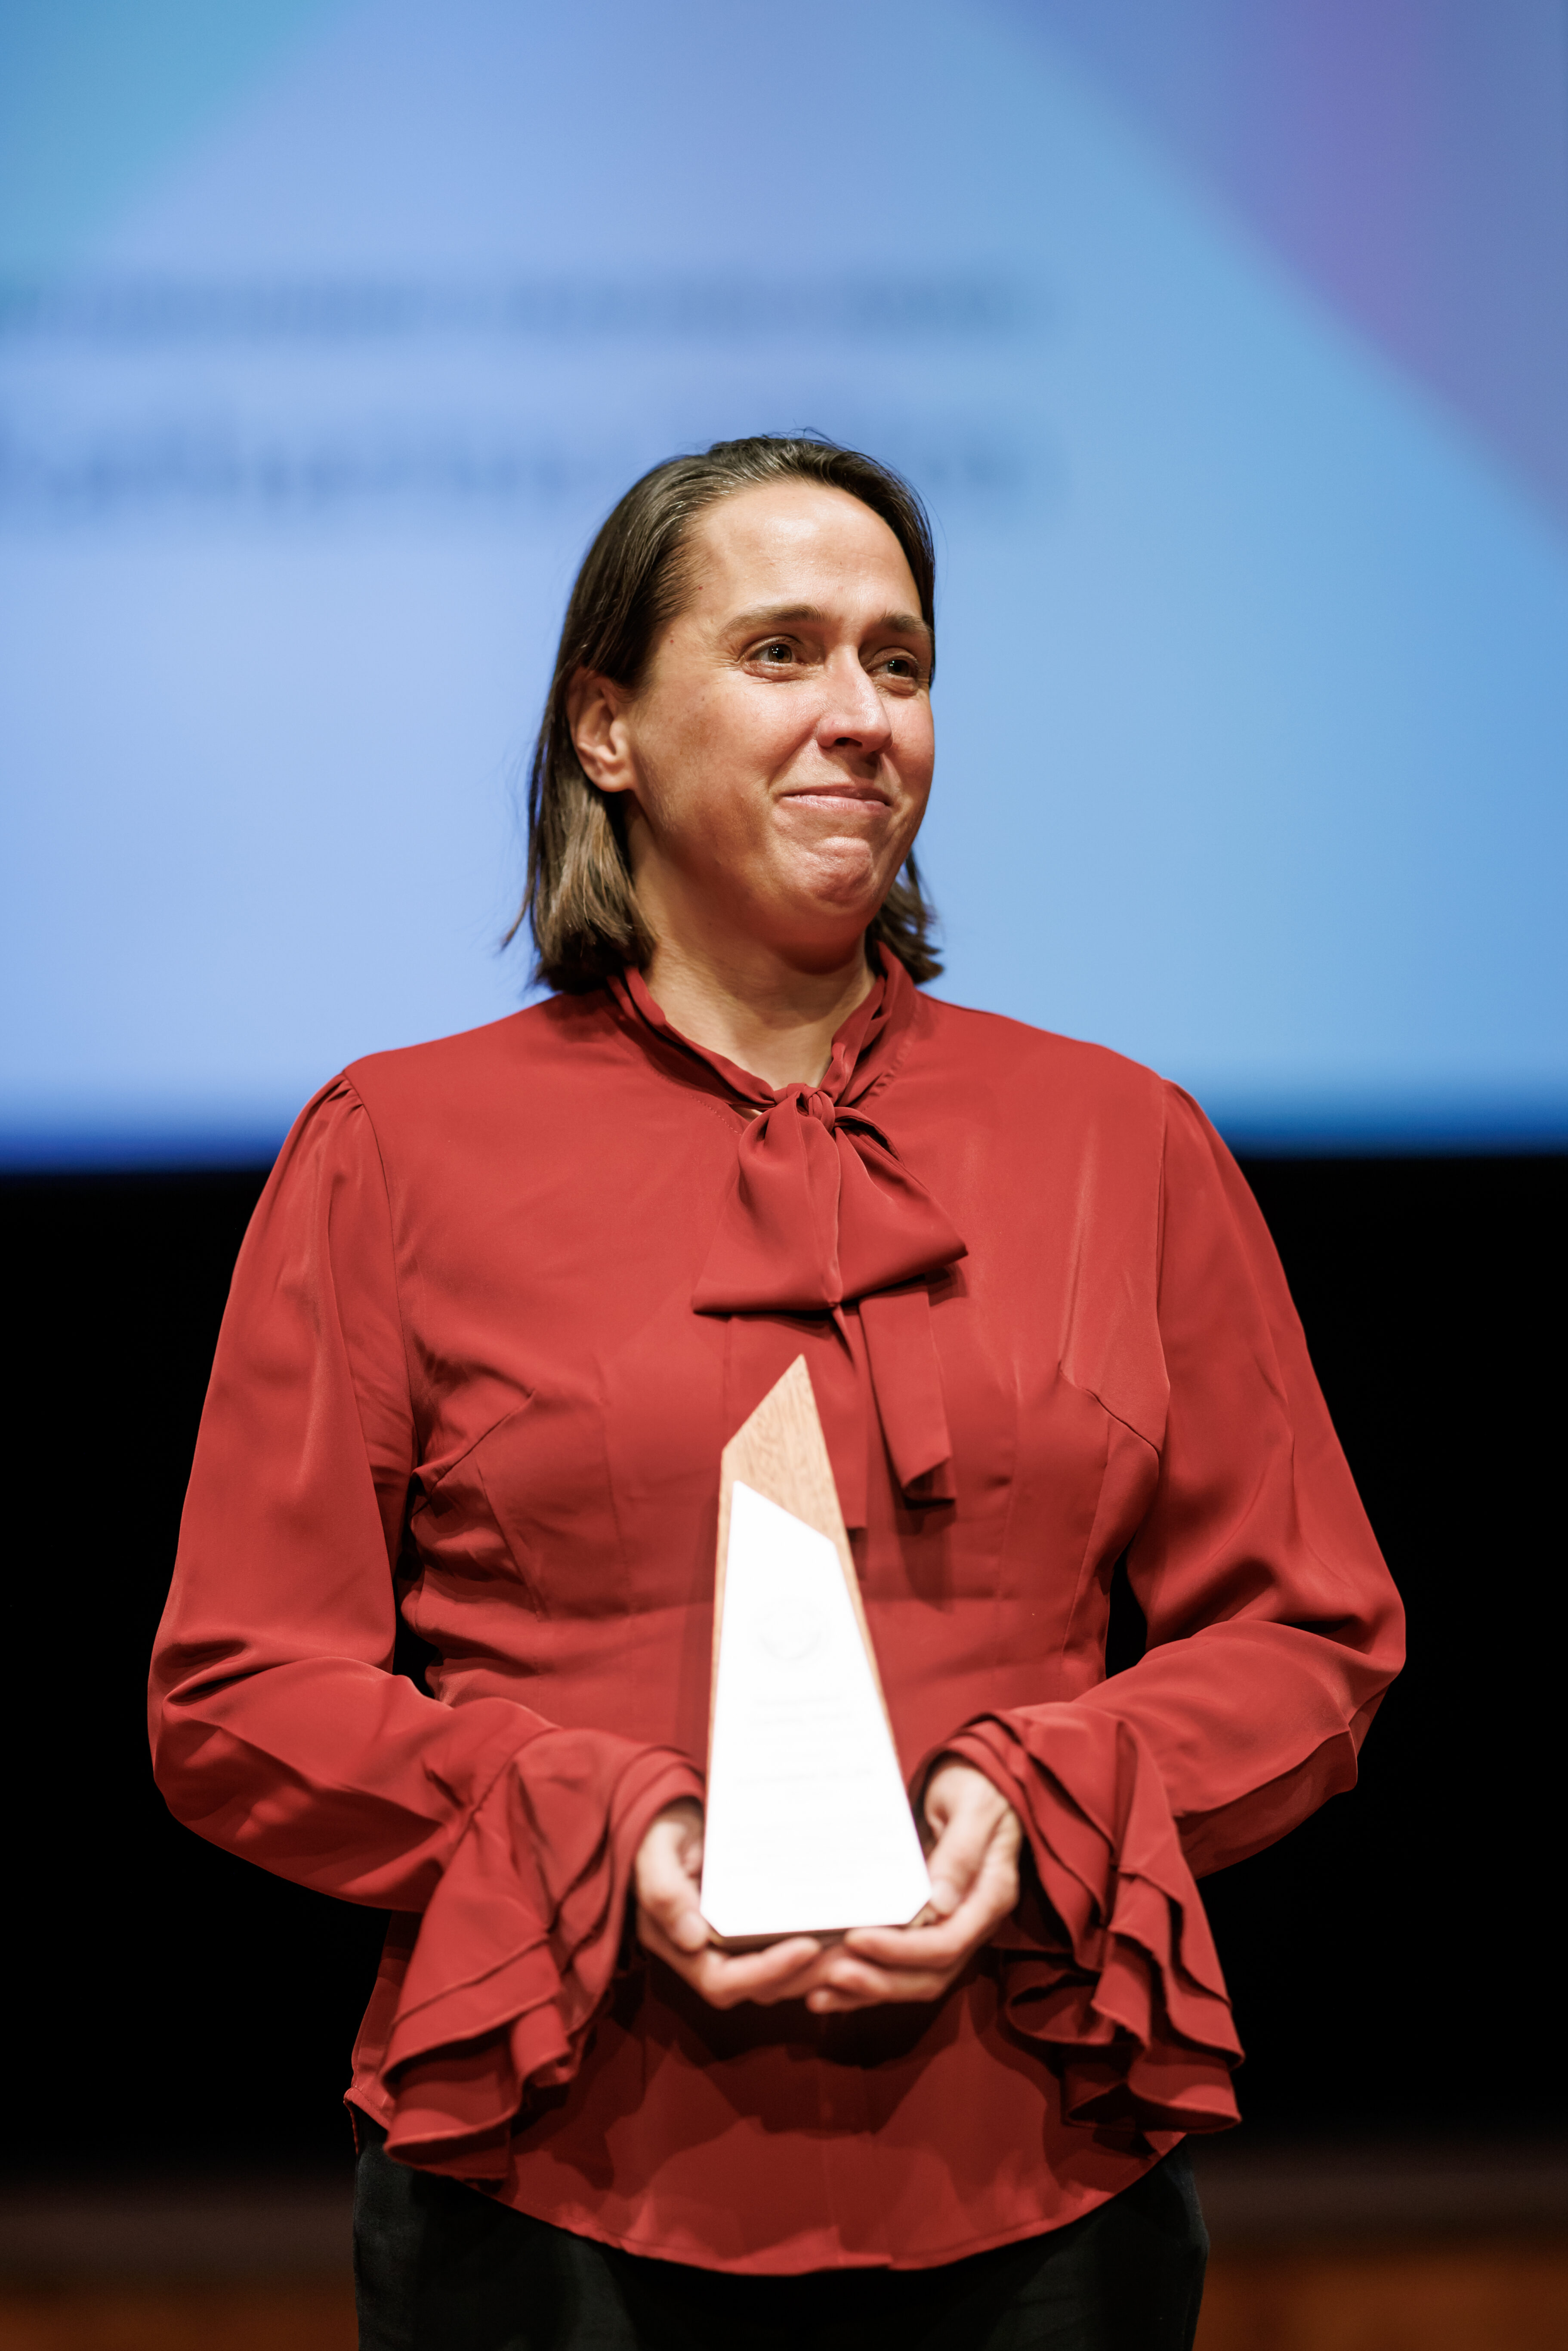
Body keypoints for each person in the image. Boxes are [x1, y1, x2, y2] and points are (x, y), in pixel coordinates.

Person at [150, 435, 1404, 2350]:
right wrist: (601, 1831)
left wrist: (1040, 1793)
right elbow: (237, 1691)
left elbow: (1311, 1629)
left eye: (896, 665)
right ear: (606, 730)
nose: (857, 719)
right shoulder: (396, 1144)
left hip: (1037, 2175)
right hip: (551, 2184)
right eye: (781, 652)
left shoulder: (1117, 1139)